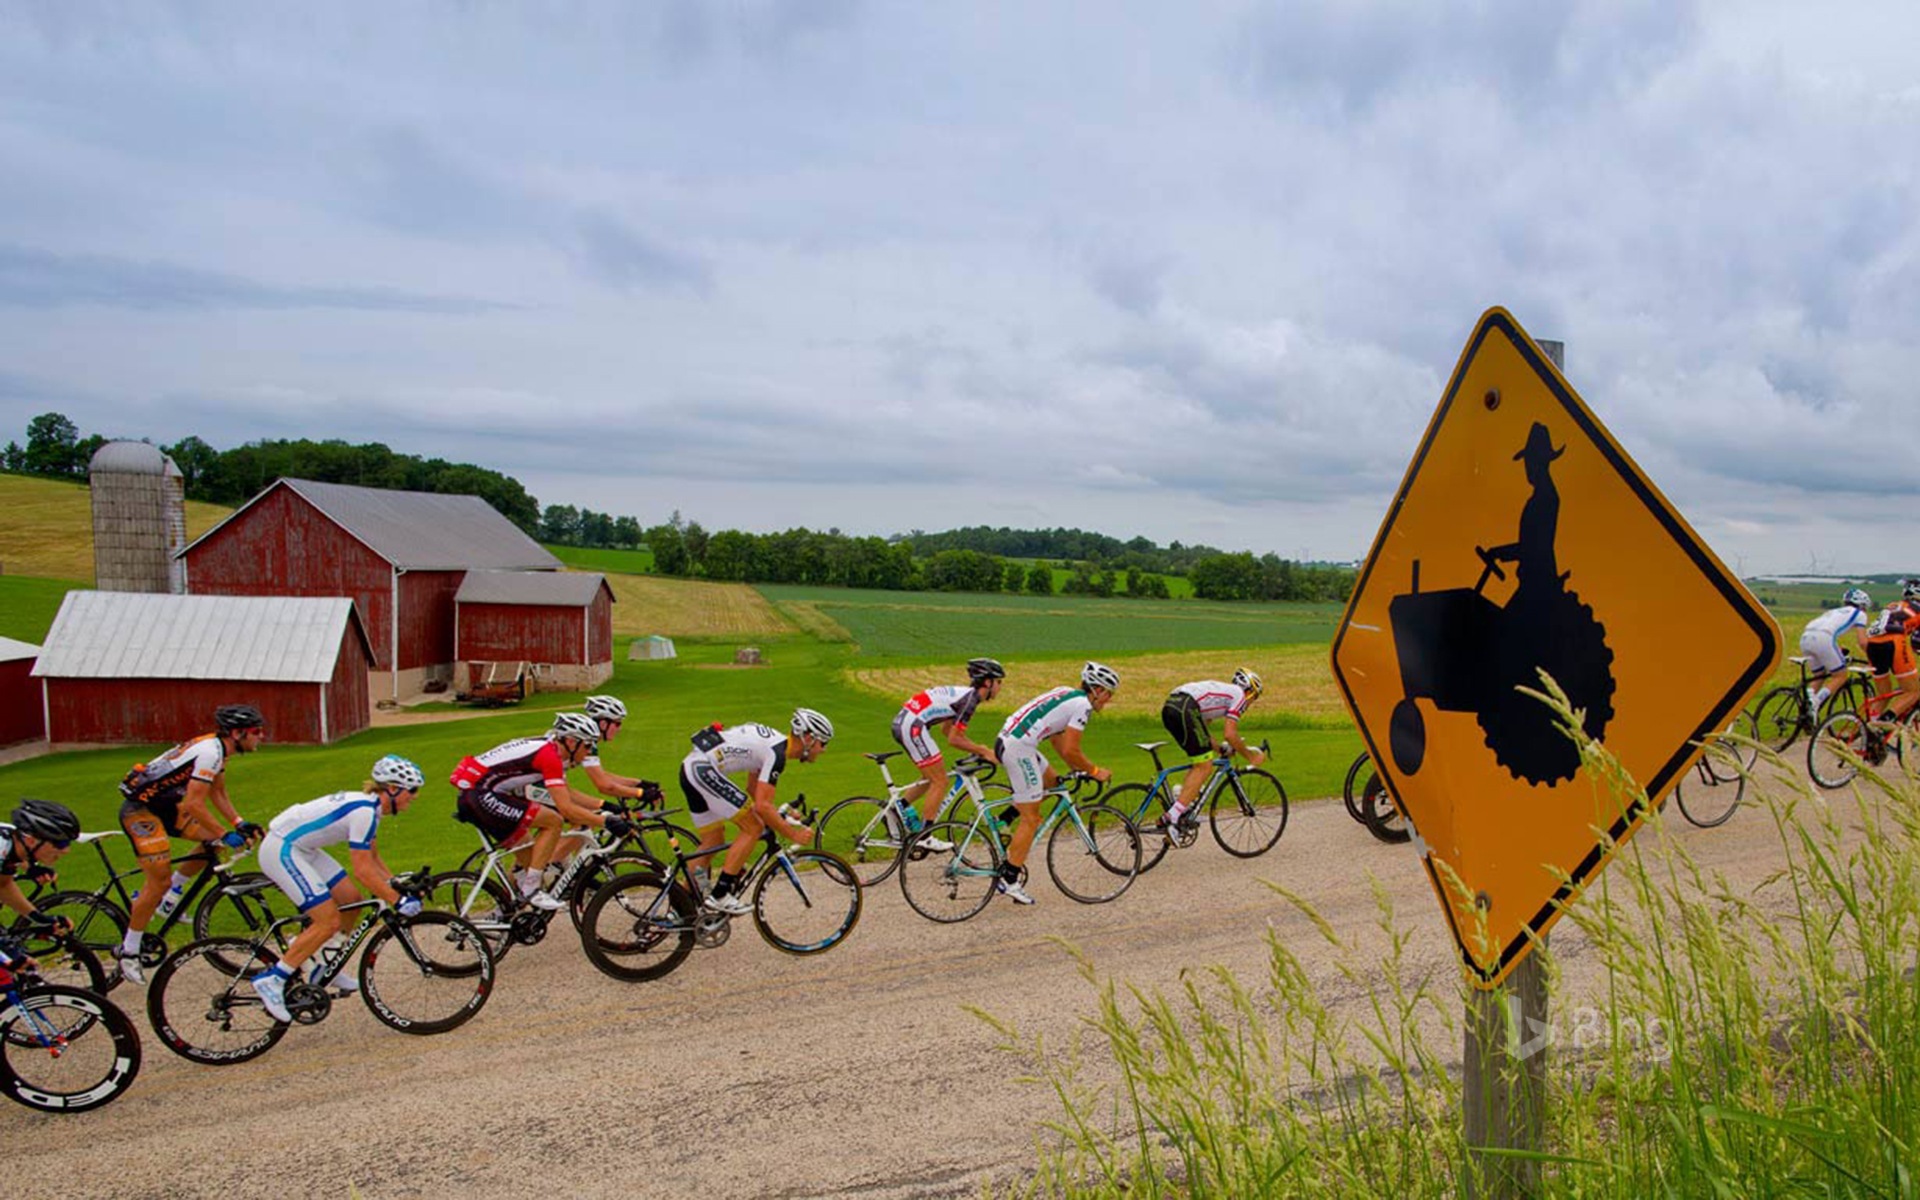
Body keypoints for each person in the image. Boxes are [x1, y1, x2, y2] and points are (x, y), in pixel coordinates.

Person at [249, 756, 427, 1023]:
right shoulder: (365, 812)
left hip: (303, 848)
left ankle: (321, 965)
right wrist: (397, 901)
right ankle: (275, 978)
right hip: (283, 849)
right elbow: (363, 871)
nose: (413, 798)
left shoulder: (370, 810)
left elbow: (374, 859)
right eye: (411, 791)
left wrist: (393, 883)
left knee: (350, 899)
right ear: (392, 788)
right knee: (328, 920)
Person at [114, 704, 268, 984]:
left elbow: (218, 792)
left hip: (165, 804)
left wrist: (238, 823)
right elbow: (195, 803)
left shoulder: (220, 750)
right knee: (156, 882)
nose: (262, 736)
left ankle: (171, 898)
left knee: (212, 842)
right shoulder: (211, 752)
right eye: (257, 731)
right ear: (237, 733)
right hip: (141, 810)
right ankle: (129, 951)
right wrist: (224, 832)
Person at [450, 713, 635, 912]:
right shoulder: (550, 757)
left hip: (478, 793)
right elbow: (566, 808)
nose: (589, 751)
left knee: (532, 856)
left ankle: (507, 909)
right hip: (480, 794)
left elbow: (565, 793)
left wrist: (603, 809)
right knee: (552, 821)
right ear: (571, 742)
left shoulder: (547, 748)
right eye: (587, 746)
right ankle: (531, 890)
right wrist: (606, 822)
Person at [678, 709, 830, 915]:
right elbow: (761, 806)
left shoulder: (773, 746)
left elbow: (754, 793)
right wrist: (792, 834)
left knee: (713, 841)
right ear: (809, 739)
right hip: (703, 770)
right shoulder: (776, 754)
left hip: (691, 769)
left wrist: (779, 815)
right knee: (753, 827)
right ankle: (720, 895)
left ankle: (678, 905)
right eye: (823, 743)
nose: (823, 751)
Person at [991, 663, 1117, 905]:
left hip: (1011, 740)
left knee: (1052, 782)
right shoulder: (1083, 706)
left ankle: (1004, 820)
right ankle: (1009, 877)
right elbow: (1071, 749)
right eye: (1108, 694)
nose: (1108, 700)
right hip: (1020, 749)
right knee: (1032, 818)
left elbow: (1058, 737)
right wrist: (1093, 770)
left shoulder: (1067, 693)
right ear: (1098, 690)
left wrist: (1074, 768)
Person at [891, 658, 1005, 834]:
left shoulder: (964, 695)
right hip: (912, 725)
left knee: (931, 776)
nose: (1000, 687)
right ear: (988, 682)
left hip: (907, 722)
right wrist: (983, 750)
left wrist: (974, 748)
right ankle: (925, 835)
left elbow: (947, 731)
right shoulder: (970, 700)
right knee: (940, 780)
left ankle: (894, 812)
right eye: (999, 682)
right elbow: (953, 739)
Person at [1159, 668, 1268, 834]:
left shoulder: (1221, 694)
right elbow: (1230, 734)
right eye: (1253, 697)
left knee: (1199, 761)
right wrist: (1250, 757)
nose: (1251, 702)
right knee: (1205, 766)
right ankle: (1172, 817)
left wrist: (1220, 749)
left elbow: (1203, 734)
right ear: (1248, 691)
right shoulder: (1238, 695)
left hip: (1173, 705)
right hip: (1185, 707)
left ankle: (1181, 800)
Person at [0, 798, 81, 938]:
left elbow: (4, 886)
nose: (66, 850)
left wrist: (39, 919)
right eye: (60, 843)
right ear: (31, 840)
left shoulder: (14, 840)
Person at [1799, 589, 1872, 713]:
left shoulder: (1833, 611)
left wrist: (1838, 651)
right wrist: (1872, 658)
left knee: (1819, 675)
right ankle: (1817, 701)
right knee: (1840, 676)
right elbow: (1863, 642)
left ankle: (1805, 707)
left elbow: (1829, 632)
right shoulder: (1859, 614)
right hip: (1823, 639)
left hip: (1806, 638)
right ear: (1862, 605)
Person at [1862, 581, 1920, 724]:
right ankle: (1884, 723)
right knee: (1913, 691)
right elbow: (1917, 641)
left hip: (1873, 644)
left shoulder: (1895, 605)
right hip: (1894, 641)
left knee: (1884, 694)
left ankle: (1869, 733)